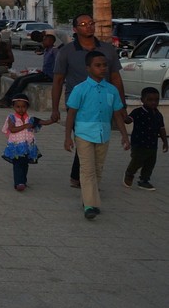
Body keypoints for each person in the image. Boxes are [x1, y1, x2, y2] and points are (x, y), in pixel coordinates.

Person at [49, 14, 126, 188]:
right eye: (83, 24)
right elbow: (58, 80)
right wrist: (55, 109)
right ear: (75, 29)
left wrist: (122, 106)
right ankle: (87, 180)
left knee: (96, 139)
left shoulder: (107, 50)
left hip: (103, 102)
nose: (88, 27)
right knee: (84, 137)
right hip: (77, 103)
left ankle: (78, 176)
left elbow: (116, 78)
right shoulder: (66, 51)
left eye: (91, 23)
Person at [63, 50, 130, 219]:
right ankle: (90, 205)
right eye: (97, 65)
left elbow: (117, 114)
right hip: (84, 133)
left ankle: (89, 199)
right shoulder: (80, 89)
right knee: (87, 170)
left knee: (98, 168)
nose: (102, 68)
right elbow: (71, 113)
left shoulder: (111, 90)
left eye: (104, 65)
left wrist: (124, 135)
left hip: (104, 134)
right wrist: (67, 137)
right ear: (88, 68)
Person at [0, 32, 57, 108]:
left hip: (49, 76)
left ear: (51, 41)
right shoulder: (47, 50)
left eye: (45, 40)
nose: (43, 42)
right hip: (44, 73)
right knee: (19, 79)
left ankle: (10, 100)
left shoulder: (55, 51)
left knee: (24, 81)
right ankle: (5, 98)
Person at [124, 87, 166, 190]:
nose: (153, 103)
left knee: (150, 163)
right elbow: (128, 120)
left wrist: (165, 142)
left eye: (156, 100)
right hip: (138, 143)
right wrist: (124, 117)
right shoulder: (138, 112)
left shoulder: (158, 115)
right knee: (137, 160)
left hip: (152, 144)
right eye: (150, 100)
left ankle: (144, 180)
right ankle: (130, 173)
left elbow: (161, 128)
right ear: (142, 100)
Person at [0, 93, 45, 191]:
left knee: (24, 164)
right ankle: (18, 183)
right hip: (16, 146)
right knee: (18, 164)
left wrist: (53, 120)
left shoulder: (31, 119)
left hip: (28, 146)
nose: (21, 109)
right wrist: (25, 126)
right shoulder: (11, 117)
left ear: (27, 107)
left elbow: (43, 122)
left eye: (23, 107)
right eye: (18, 107)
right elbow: (12, 129)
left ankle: (23, 180)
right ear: (13, 107)